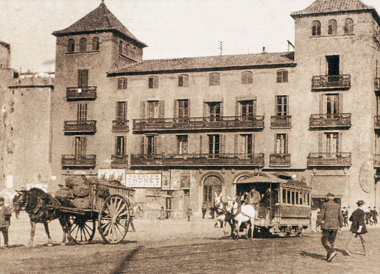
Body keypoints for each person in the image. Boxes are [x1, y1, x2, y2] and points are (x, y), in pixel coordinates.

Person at [320, 193, 344, 262]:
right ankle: (329, 257)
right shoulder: (337, 205)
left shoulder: (324, 205)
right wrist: (341, 225)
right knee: (331, 241)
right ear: (333, 198)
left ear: (327, 197)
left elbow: (321, 215)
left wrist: (318, 223)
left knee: (324, 240)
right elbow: (340, 216)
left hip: (326, 226)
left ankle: (332, 251)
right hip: (335, 226)